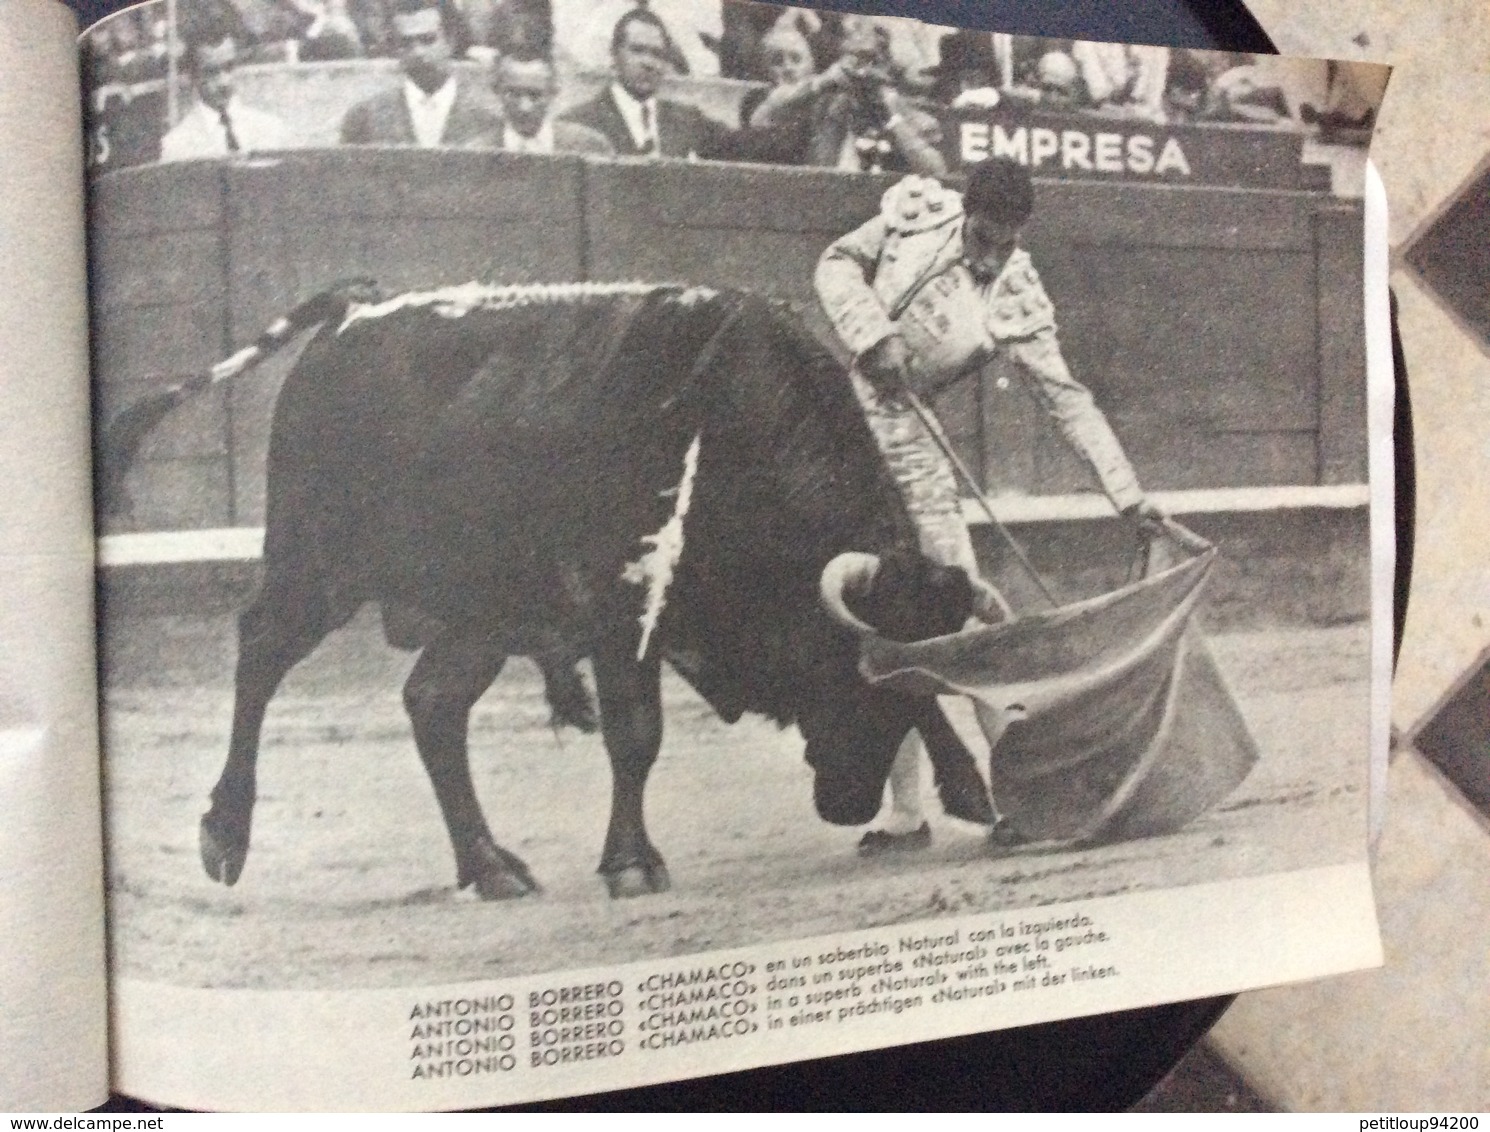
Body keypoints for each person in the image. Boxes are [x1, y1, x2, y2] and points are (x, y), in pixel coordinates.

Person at [814, 157, 1163, 853]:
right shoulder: (917, 216)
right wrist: (872, 336)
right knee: (877, 628)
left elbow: (1066, 400)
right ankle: (906, 813)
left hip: (915, 447)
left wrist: (1129, 497)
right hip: (834, 435)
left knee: (959, 615)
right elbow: (835, 264)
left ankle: (1019, 799)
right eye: (982, 237)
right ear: (962, 211)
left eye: (1007, 243)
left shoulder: (1016, 292)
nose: (991, 256)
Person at [559, 6, 730, 159]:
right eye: (637, 50)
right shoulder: (578, 122)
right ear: (613, 54)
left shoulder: (688, 119)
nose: (648, 63)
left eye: (657, 54)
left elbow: (739, 144)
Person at [338, 0, 502, 147]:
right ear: (394, 47)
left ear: (450, 40)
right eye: (405, 43)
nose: (417, 52)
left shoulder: (492, 115)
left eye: (428, 40)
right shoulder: (365, 117)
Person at [159, 32, 291, 161]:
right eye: (211, 72)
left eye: (229, 68)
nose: (224, 82)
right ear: (193, 77)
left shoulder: (271, 129)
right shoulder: (176, 146)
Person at [490, 51, 614, 155]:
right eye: (513, 95)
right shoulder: (477, 150)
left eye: (535, 96)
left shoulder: (591, 146)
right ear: (496, 91)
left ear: (553, 93)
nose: (524, 107)